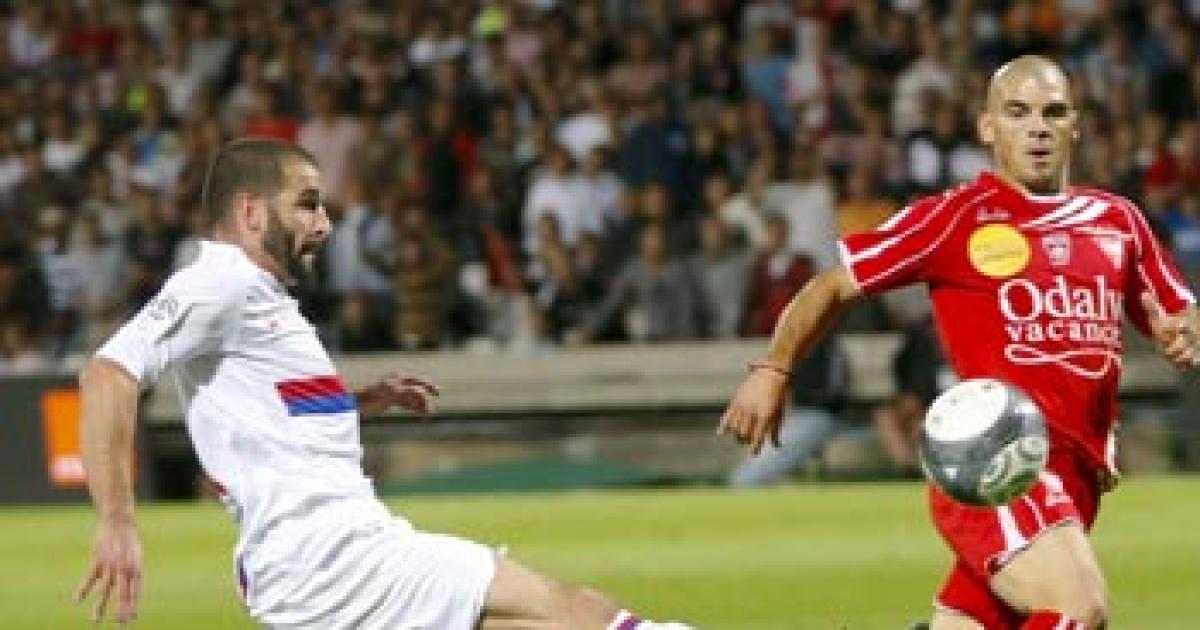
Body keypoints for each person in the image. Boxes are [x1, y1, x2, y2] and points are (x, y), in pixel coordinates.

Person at [74, 138, 692, 630]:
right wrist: (117, 521)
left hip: (327, 556)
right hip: (331, 555)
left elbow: (275, 410)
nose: (324, 224)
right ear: (251, 212)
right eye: (307, 205)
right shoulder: (219, 283)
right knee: (578, 613)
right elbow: (107, 375)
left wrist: (359, 401)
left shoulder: (257, 299)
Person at [719, 56, 1200, 630]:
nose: (1038, 128)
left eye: (1053, 113)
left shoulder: (1118, 221)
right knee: (1080, 608)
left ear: (1074, 125)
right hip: (999, 463)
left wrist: (1181, 332)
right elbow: (833, 287)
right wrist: (774, 369)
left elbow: (1180, 312)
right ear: (987, 128)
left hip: (1079, 476)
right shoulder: (955, 219)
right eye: (1018, 113)